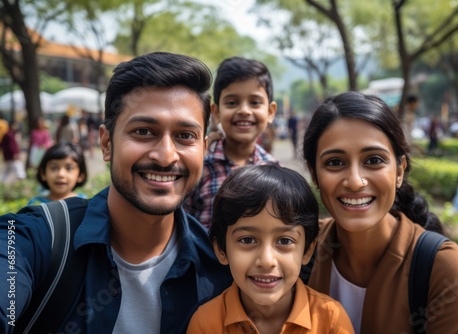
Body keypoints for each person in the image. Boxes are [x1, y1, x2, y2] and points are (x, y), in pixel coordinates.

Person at [0, 52, 232, 333]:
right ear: (107, 143)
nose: (166, 156)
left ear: (204, 148)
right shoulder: (36, 240)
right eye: (144, 131)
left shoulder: (219, 270)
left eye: (185, 136)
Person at [302, 91, 458, 333]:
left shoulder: (441, 267)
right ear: (314, 174)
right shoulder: (300, 248)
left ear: (399, 171)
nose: (355, 181)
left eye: (374, 160)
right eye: (335, 162)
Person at [187, 164, 354, 334]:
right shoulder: (206, 324)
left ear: (308, 250)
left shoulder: (331, 321)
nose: (267, 261)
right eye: (247, 239)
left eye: (284, 240)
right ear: (221, 250)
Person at [183, 56, 279, 228]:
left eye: (255, 102)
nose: (243, 110)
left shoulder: (275, 171)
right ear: (217, 112)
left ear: (270, 112)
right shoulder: (200, 166)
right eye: (232, 102)